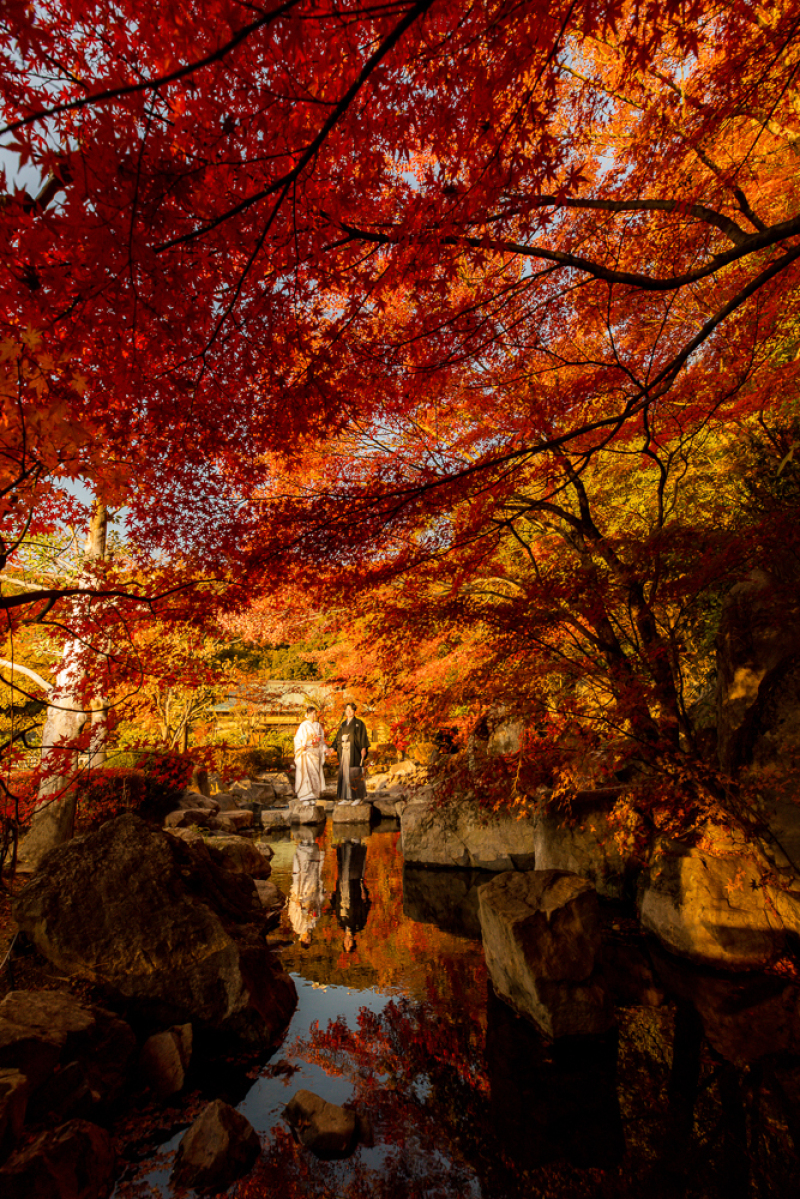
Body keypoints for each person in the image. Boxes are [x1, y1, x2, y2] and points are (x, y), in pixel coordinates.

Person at [287, 829, 325, 948]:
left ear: (301, 939)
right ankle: (311, 840)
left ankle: (303, 842)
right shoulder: (313, 925)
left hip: (301, 895)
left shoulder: (297, 926)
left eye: (306, 939)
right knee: (313, 871)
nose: (308, 937)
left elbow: (293, 912)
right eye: (309, 939)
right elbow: (318, 909)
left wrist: (297, 904)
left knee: (302, 872)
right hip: (312, 893)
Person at [332, 837, 371, 952]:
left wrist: (331, 896)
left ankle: (345, 842)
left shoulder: (341, 923)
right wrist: (364, 895)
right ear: (354, 941)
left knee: (344, 864)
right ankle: (356, 843)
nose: (348, 941)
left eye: (346, 943)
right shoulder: (359, 925)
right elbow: (366, 907)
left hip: (343, 888)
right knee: (354, 868)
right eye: (350, 943)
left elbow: (336, 906)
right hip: (354, 891)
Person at [332, 702, 370, 805]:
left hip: (354, 751)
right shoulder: (343, 724)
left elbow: (363, 737)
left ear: (354, 711)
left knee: (355, 772)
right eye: (347, 709)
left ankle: (358, 797)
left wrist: (363, 748)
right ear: (345, 711)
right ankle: (346, 797)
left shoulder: (359, 723)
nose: (348, 711)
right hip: (344, 751)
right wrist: (333, 748)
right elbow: (338, 738)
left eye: (351, 710)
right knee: (344, 773)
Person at [293, 704, 329, 805]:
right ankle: (305, 796)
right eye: (311, 714)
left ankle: (313, 795)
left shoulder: (318, 725)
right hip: (307, 752)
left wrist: (325, 749)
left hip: (316, 752)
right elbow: (297, 739)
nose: (313, 716)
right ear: (307, 715)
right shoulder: (303, 725)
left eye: (314, 714)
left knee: (315, 775)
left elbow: (321, 741)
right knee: (306, 774)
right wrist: (302, 746)